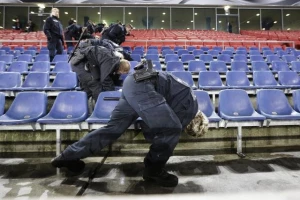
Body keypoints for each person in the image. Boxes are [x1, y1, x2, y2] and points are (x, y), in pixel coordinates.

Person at [51, 60, 209, 187]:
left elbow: (153, 124)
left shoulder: (187, 99)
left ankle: (68, 157)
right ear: (193, 123)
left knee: (112, 129)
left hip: (133, 84)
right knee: (172, 129)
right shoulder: (187, 108)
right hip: (144, 87)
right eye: (188, 131)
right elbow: (161, 130)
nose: (184, 130)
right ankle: (154, 171)